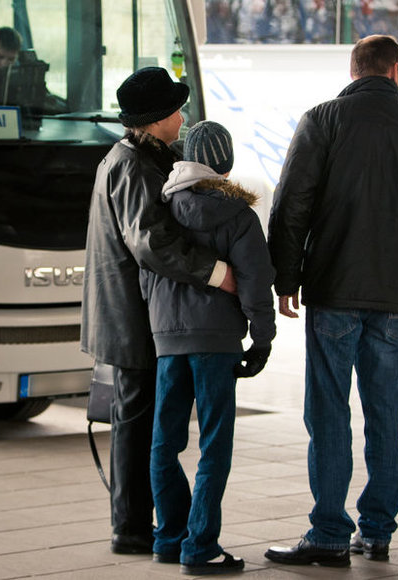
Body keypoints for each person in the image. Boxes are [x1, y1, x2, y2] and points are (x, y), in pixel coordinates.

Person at [263, 35, 398, 566]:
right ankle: (377, 532)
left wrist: (286, 278)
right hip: (392, 295)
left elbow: (291, 204)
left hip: (334, 289)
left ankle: (327, 533)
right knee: (383, 413)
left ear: (353, 72)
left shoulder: (322, 120)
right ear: (396, 71)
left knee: (328, 412)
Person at [81, 67, 236, 556]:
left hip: (135, 314)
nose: (183, 117)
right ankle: (129, 528)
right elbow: (151, 242)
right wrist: (216, 273)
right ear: (155, 121)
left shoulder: (137, 157)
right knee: (135, 425)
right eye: (174, 111)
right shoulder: (130, 165)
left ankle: (138, 523)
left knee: (142, 422)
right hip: (129, 317)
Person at [141, 120, 275, 575]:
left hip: (167, 338)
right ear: (224, 162)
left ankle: (168, 537)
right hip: (216, 340)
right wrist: (262, 338)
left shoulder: (160, 208)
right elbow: (257, 280)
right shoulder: (237, 214)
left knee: (165, 441)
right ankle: (200, 546)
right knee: (214, 442)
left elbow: (146, 268)